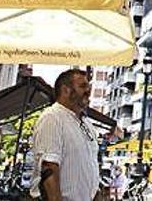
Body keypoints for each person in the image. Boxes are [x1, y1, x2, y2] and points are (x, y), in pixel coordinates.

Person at [30, 69, 104, 201]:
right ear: (65, 90)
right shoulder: (52, 118)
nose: (88, 91)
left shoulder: (86, 123)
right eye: (82, 86)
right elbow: (49, 169)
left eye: (89, 86)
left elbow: (90, 166)